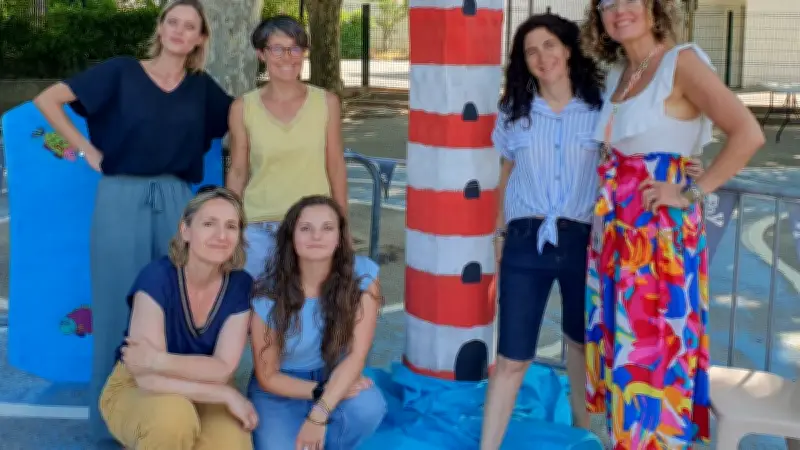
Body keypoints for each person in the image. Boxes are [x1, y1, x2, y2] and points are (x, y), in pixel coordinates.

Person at [32, 0, 234, 438]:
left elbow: (243, 118)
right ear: (160, 28)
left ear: (201, 38)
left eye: (191, 26)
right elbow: (48, 99)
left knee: (175, 305)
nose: (180, 31)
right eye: (173, 22)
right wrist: (86, 148)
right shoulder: (121, 71)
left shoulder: (202, 88)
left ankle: (170, 415)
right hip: (120, 195)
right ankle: (109, 421)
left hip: (179, 200)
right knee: (114, 306)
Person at [580, 0, 765, 448]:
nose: (619, 10)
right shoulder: (619, 74)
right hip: (615, 238)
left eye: (630, 1)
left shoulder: (681, 62)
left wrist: (689, 192)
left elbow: (749, 134)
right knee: (623, 358)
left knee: (653, 358)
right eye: (607, 4)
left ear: (652, 6)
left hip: (657, 243)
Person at [479, 14, 604, 448]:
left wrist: (687, 168)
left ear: (568, 49)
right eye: (531, 50)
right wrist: (498, 235)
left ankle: (582, 437)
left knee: (579, 350)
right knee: (512, 356)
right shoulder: (514, 114)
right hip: (524, 242)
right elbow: (503, 177)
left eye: (550, 45)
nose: (542, 56)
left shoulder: (603, 111)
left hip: (583, 241)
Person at [97, 186, 256, 450]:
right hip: (139, 386)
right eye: (209, 224)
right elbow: (145, 376)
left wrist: (158, 360)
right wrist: (225, 394)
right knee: (173, 419)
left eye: (231, 226)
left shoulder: (241, 285)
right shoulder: (157, 277)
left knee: (231, 441)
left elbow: (222, 369)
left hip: (203, 386)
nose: (221, 235)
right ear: (186, 230)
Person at [247, 195, 386, 450]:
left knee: (368, 407)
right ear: (291, 236)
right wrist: (322, 392)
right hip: (280, 389)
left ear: (339, 238)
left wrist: (319, 413)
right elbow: (268, 376)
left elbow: (356, 357)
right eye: (305, 228)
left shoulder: (363, 276)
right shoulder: (269, 291)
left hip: (334, 373)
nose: (316, 236)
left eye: (327, 228)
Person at [227, 15, 348, 279]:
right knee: (256, 312)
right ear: (261, 54)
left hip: (313, 228)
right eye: (277, 49)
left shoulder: (326, 103)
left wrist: (342, 226)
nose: (288, 57)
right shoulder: (242, 108)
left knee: (309, 313)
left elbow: (336, 166)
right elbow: (237, 171)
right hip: (259, 229)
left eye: (295, 48)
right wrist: (229, 226)